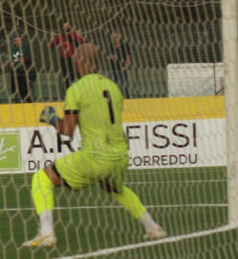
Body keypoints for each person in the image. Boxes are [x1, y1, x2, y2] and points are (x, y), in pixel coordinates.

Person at [24, 43, 165, 247]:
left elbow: (67, 132)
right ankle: (153, 227)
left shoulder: (77, 89)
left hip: (96, 157)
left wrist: (52, 118)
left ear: (79, 62)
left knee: (41, 177)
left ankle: (46, 232)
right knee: (114, 188)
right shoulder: (114, 87)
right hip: (120, 155)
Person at [49, 22, 86, 90]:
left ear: (70, 26)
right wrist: (52, 36)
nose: (67, 27)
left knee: (75, 76)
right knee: (65, 77)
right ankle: (68, 93)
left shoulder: (75, 35)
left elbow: (84, 43)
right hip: (64, 59)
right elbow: (52, 45)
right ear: (63, 28)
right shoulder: (61, 37)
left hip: (74, 58)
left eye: (68, 26)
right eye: (65, 26)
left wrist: (80, 35)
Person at [10, 36, 35, 103]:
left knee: (27, 90)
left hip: (25, 73)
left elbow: (31, 57)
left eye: (18, 40)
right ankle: (21, 103)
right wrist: (11, 63)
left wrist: (25, 59)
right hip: (16, 73)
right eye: (15, 41)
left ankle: (30, 103)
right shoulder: (13, 50)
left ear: (21, 41)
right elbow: (12, 59)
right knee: (19, 91)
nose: (17, 42)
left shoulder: (26, 48)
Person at [107, 32, 131, 98]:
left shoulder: (124, 45)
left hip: (122, 67)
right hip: (114, 68)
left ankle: (126, 97)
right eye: (113, 37)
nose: (114, 39)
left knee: (124, 83)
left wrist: (125, 66)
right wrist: (111, 57)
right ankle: (115, 96)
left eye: (116, 37)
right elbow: (108, 56)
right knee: (114, 83)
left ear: (119, 38)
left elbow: (128, 57)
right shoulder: (110, 46)